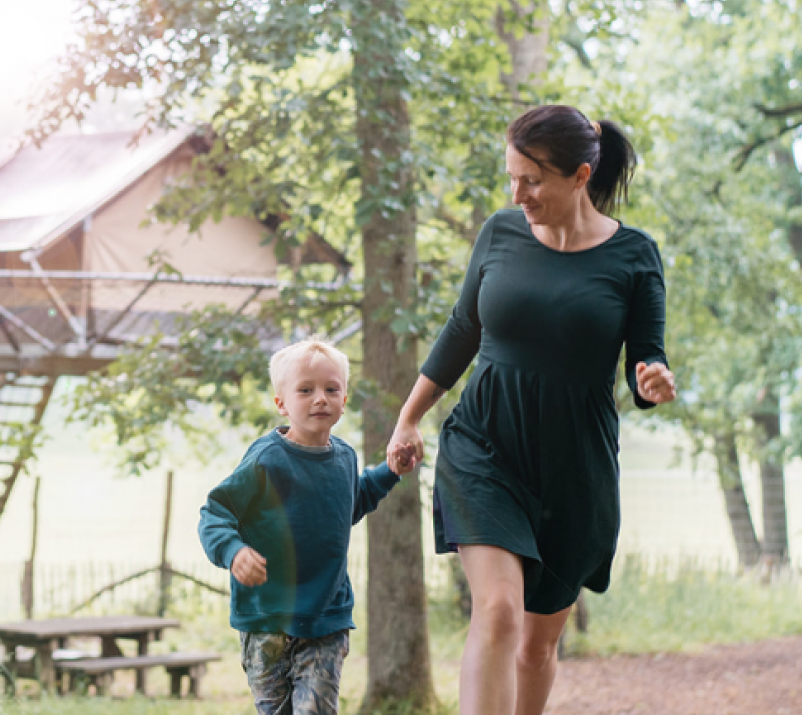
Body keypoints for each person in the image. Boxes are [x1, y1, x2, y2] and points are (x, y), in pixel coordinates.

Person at [386, 104, 677, 715]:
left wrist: (651, 379)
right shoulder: (500, 232)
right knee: (496, 612)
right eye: (512, 176)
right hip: (484, 446)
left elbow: (646, 355)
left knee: (537, 648)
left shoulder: (633, 256)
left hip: (577, 469)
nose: (517, 193)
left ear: (579, 176)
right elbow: (463, 327)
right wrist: (409, 416)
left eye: (533, 179)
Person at [199, 339, 413, 715]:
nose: (320, 399)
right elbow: (216, 512)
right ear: (281, 402)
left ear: (344, 400)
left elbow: (351, 501)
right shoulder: (267, 459)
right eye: (306, 390)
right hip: (266, 619)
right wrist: (233, 552)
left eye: (332, 389)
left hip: (325, 616)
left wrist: (390, 471)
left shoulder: (345, 457)